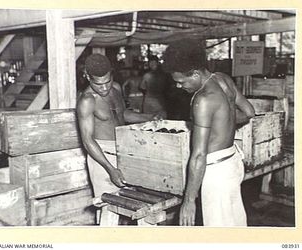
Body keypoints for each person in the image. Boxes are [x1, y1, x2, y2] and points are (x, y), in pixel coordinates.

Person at [162, 39, 255, 227]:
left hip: (216, 172)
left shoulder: (202, 100)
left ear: (195, 74)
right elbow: (249, 112)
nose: (179, 87)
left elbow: (198, 155)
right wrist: (221, 121)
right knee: (235, 225)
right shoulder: (222, 78)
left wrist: (188, 202)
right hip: (232, 161)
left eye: (181, 82)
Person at [76, 54, 160, 226]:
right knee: (109, 209)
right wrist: (110, 169)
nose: (104, 87)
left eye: (107, 81)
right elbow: (87, 140)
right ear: (87, 77)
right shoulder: (87, 100)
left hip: (125, 151)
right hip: (102, 157)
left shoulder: (116, 88)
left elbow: (121, 115)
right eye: (98, 84)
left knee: (141, 205)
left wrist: (150, 117)